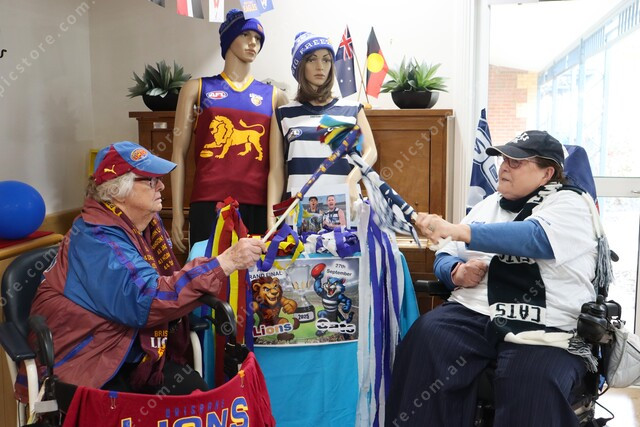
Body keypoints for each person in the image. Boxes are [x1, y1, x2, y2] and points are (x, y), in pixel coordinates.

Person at [386, 131, 604, 427]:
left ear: (547, 173)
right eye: (504, 160)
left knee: (531, 380)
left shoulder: (571, 203)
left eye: (517, 162)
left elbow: (534, 238)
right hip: (476, 311)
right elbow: (445, 253)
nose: (504, 167)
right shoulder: (490, 203)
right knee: (426, 339)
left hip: (544, 319)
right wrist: (455, 271)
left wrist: (459, 231)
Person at [27, 141, 266, 395]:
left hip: (131, 347)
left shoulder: (145, 225)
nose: (161, 186)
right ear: (118, 190)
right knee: (173, 403)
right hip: (90, 359)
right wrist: (225, 262)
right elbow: (147, 299)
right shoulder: (96, 240)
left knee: (197, 395)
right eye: (151, 180)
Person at [171, 9, 288, 252]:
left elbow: (280, 164)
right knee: (207, 272)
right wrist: (177, 213)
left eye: (258, 38)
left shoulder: (275, 97)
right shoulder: (197, 89)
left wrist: (274, 215)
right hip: (208, 202)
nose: (253, 42)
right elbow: (177, 155)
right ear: (228, 38)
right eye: (245, 34)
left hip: (257, 204)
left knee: (254, 274)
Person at [266, 32, 377, 228]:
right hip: (299, 215)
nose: (320, 66)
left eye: (326, 60)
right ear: (300, 66)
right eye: (312, 59)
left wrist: (352, 181)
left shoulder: (352, 110)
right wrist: (271, 219)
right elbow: (276, 171)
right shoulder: (284, 114)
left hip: (345, 211)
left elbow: (371, 152)